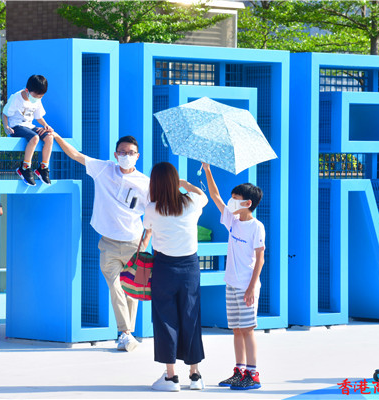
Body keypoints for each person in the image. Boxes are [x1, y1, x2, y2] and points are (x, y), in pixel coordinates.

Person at [53, 133, 150, 352]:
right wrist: (56, 136)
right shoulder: (104, 169)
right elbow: (75, 154)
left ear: (138, 156)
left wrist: (145, 243)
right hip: (108, 243)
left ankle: (126, 334)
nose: (126, 156)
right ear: (116, 155)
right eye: (122, 152)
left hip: (134, 242)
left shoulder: (146, 183)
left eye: (131, 153)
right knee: (115, 287)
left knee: (133, 291)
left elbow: (152, 216)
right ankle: (126, 333)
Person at [143, 162, 208, 392]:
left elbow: (148, 229)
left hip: (164, 267)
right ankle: (195, 374)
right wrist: (186, 184)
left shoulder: (152, 208)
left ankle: (171, 377)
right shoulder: (191, 202)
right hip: (190, 267)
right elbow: (204, 196)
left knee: (165, 318)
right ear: (174, 181)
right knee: (190, 316)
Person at [202, 163, 265, 390]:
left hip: (247, 286)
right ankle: (239, 370)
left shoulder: (257, 227)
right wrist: (207, 170)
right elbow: (215, 195)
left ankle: (253, 373)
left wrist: (250, 288)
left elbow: (260, 260)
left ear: (247, 203)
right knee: (237, 329)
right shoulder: (232, 221)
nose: (230, 202)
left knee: (248, 330)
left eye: (235, 198)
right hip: (231, 285)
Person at [2, 74, 55, 186]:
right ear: (27, 90)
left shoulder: (37, 99)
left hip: (29, 126)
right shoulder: (16, 98)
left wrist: (46, 125)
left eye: (41, 97)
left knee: (50, 137)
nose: (38, 99)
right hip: (16, 126)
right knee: (35, 138)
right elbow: (5, 114)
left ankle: (43, 168)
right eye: (36, 96)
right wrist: (6, 127)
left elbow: (38, 117)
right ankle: (25, 168)